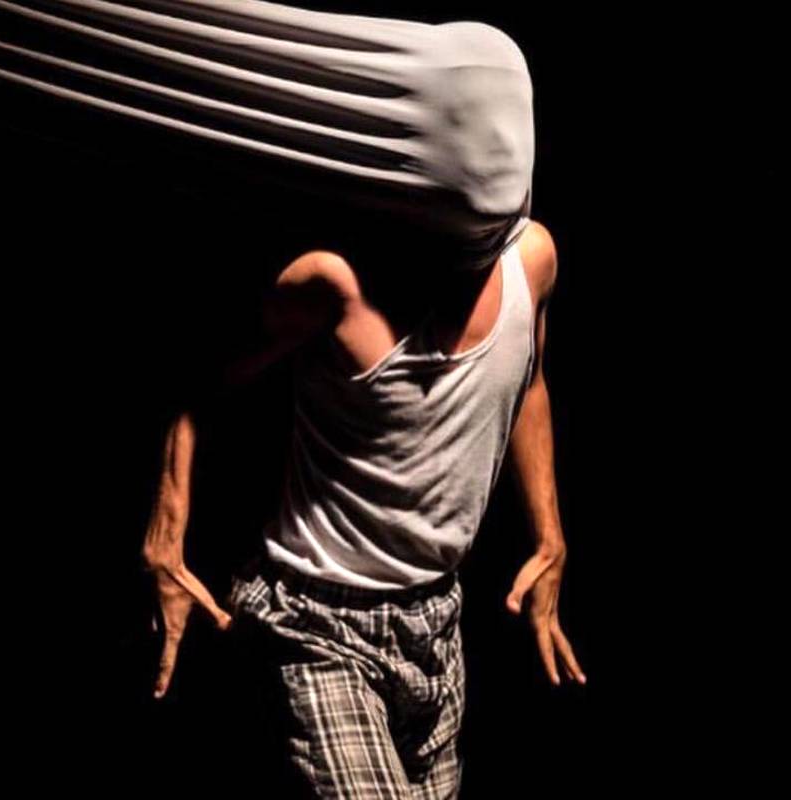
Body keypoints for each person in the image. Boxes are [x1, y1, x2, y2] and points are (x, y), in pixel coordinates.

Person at [140, 218, 586, 798]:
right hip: (315, 621)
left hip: (437, 624)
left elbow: (528, 381)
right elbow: (200, 371)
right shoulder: (337, 281)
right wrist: (164, 539)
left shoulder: (531, 257)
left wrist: (551, 538)